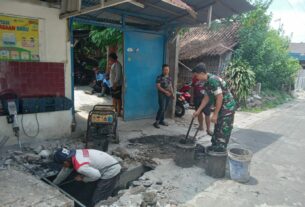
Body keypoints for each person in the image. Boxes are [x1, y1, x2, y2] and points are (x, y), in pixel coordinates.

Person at [53, 148, 121, 206]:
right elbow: (65, 171)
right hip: (104, 164)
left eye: (63, 164)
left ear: (65, 162)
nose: (63, 166)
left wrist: (82, 178)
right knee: (90, 187)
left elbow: (97, 175)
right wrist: (54, 184)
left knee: (98, 199)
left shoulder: (81, 167)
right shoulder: (74, 154)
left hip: (111, 170)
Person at [192, 63, 236, 152]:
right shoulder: (207, 82)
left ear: (201, 73)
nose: (196, 78)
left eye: (196, 76)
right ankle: (215, 147)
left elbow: (220, 97)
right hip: (222, 107)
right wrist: (198, 111)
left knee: (223, 129)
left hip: (227, 107)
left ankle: (220, 151)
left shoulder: (213, 80)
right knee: (217, 127)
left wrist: (215, 114)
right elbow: (206, 97)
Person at [153, 64, 174, 129]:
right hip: (161, 94)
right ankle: (156, 122)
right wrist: (166, 92)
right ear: (162, 70)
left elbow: (171, 86)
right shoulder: (159, 77)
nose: (166, 71)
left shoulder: (169, 77)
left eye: (167, 70)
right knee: (162, 108)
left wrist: (172, 94)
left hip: (168, 95)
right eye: (165, 70)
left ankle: (161, 121)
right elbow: (158, 86)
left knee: (165, 108)